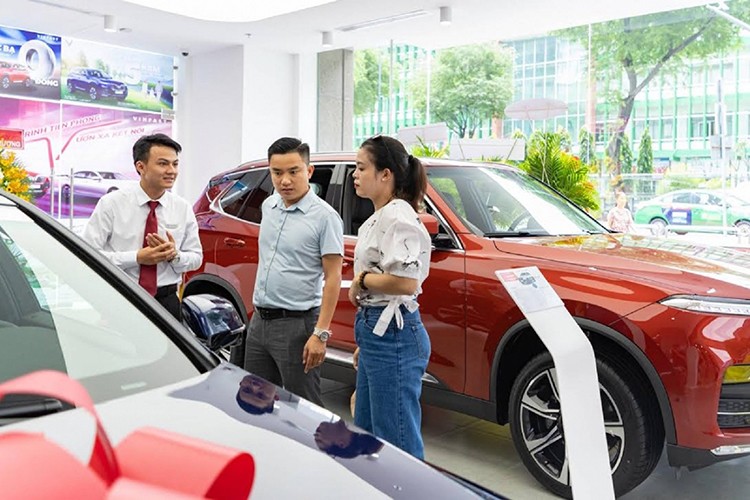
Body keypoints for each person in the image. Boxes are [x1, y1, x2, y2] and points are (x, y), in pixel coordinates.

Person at [347, 134, 432, 459]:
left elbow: (405, 282)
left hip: (394, 336)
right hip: (377, 333)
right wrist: (365, 341)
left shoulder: (398, 216)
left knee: (397, 443)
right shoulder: (381, 216)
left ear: (386, 174)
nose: (355, 174)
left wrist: (362, 280)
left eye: (361, 167)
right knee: (369, 431)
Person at [243, 137, 343, 407]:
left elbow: (333, 278)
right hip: (259, 322)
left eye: (293, 171)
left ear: (308, 172)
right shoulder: (269, 207)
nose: (284, 180)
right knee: (254, 400)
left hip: (297, 326)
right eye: (277, 173)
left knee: (304, 407)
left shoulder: (325, 217)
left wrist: (320, 334)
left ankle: (311, 451)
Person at [83, 133, 202, 319]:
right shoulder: (112, 204)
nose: (171, 171)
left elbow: (196, 257)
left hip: (167, 301)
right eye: (163, 164)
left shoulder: (182, 207)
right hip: (122, 296)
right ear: (141, 166)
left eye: (175, 164)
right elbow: (88, 254)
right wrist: (137, 257)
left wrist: (174, 256)